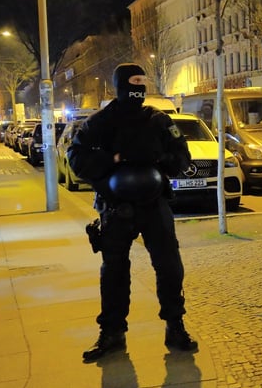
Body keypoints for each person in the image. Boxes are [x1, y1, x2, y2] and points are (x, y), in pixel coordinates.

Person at [68, 63, 198, 362]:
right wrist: (112, 158)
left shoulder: (159, 121)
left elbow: (182, 158)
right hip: (115, 207)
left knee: (169, 267)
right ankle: (112, 331)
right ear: (121, 84)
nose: (139, 85)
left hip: (154, 204)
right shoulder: (100, 122)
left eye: (143, 80)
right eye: (133, 81)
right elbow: (76, 156)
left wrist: (160, 157)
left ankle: (175, 325)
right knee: (113, 271)